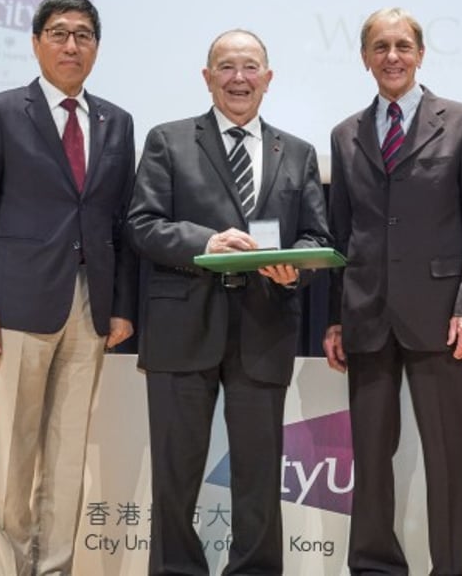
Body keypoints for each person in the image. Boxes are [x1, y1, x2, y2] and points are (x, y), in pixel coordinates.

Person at [127, 29, 331, 575]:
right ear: (207, 76)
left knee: (259, 474)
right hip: (182, 327)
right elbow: (142, 225)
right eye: (226, 67)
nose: (238, 78)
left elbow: (315, 237)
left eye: (250, 68)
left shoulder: (300, 152)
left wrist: (295, 269)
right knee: (176, 473)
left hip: (264, 327)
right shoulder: (168, 141)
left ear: (268, 78)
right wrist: (206, 244)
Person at [0, 0, 138, 576]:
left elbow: (119, 222)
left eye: (83, 35)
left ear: (96, 48)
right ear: (36, 43)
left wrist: (121, 306)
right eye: (58, 33)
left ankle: (54, 567)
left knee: (65, 456)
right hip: (14, 307)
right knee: (11, 459)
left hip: (90, 309)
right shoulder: (0, 112)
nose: (71, 45)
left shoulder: (116, 121)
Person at [324, 7, 462, 576]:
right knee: (371, 456)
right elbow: (340, 235)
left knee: (448, 455)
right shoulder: (345, 133)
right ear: (364, 58)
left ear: (421, 54)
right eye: (380, 46)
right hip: (367, 315)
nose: (392, 56)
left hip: (443, 316)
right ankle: (374, 566)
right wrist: (335, 318)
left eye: (402, 46)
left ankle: (451, 567)